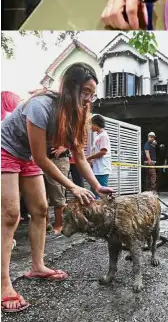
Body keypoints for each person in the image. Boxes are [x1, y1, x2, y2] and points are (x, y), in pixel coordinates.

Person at [1, 63, 114, 313]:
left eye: (91, 94)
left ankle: (37, 266)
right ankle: (3, 283)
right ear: (70, 87)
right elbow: (43, 158)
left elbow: (79, 155)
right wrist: (73, 186)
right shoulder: (40, 106)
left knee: (41, 209)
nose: (88, 99)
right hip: (6, 148)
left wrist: (96, 186)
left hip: (27, 156)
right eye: (85, 91)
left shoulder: (77, 114)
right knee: (10, 215)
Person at [44, 145, 71, 234]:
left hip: (58, 159)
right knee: (41, 195)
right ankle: (46, 224)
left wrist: (67, 147)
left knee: (58, 194)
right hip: (39, 157)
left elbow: (78, 137)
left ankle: (59, 225)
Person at [87, 114, 111, 198]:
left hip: (102, 169)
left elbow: (103, 152)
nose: (90, 127)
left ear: (96, 124)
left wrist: (89, 158)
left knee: (102, 195)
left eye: (91, 124)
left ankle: (104, 210)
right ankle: (96, 210)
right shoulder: (98, 136)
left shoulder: (103, 136)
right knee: (94, 193)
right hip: (97, 169)